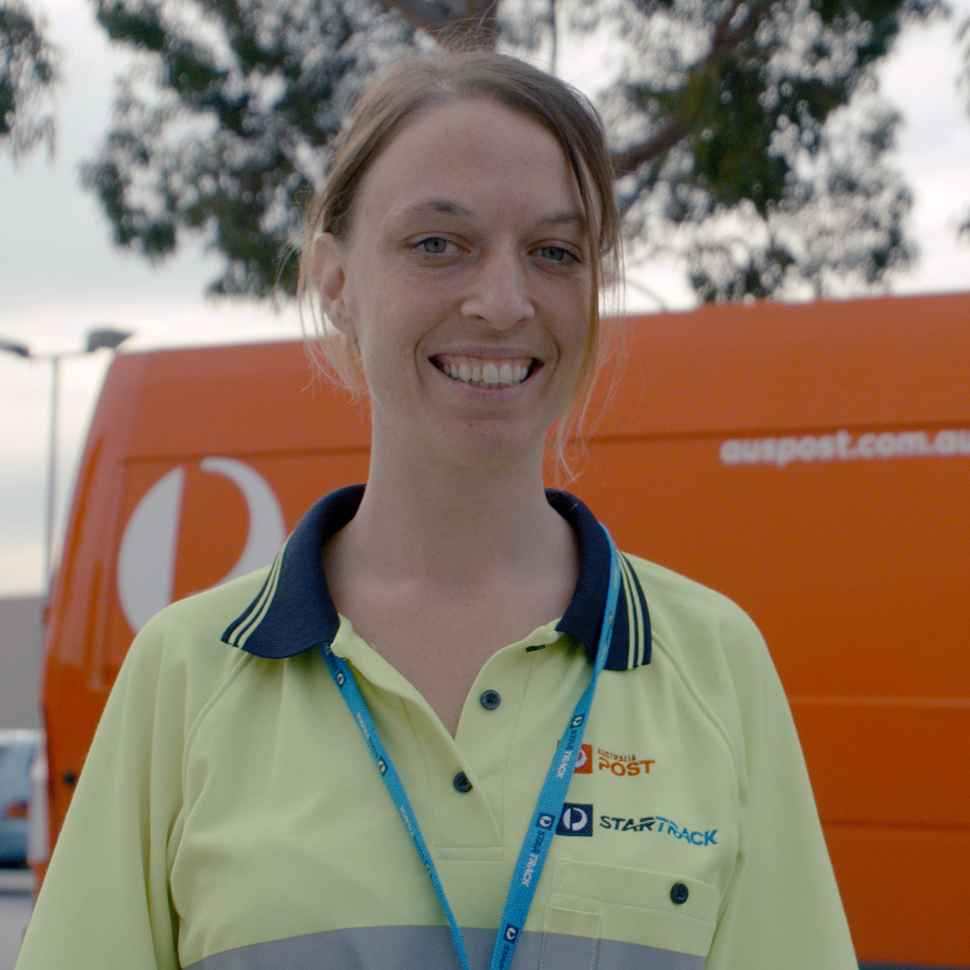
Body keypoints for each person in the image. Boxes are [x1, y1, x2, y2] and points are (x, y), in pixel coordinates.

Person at [16, 48, 857, 970]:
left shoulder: (715, 662)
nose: (503, 302)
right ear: (336, 283)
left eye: (555, 253)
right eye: (437, 244)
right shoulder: (185, 673)